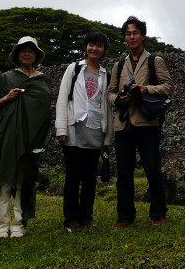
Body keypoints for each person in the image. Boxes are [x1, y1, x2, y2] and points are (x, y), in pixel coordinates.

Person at [108, 16, 174, 228]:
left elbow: (168, 87)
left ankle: (158, 213)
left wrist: (146, 89)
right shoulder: (119, 65)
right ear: (125, 37)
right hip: (123, 124)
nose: (132, 36)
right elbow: (109, 94)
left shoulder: (155, 61)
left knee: (152, 169)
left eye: (135, 32)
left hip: (148, 123)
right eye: (128, 33)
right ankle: (125, 215)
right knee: (124, 172)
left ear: (143, 35)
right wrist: (120, 99)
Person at [0, 36, 51, 239]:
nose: (27, 53)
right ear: (17, 54)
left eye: (31, 50)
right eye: (23, 50)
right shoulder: (7, 78)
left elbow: (44, 109)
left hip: (32, 137)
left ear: (36, 55)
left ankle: (19, 223)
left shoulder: (42, 79)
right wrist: (7, 98)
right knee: (3, 178)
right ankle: (1, 225)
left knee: (24, 180)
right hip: (8, 136)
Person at [55, 32, 114, 233]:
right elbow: (63, 98)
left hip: (96, 129)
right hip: (73, 129)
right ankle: (71, 219)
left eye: (99, 46)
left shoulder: (106, 74)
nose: (94, 49)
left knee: (90, 177)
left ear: (104, 49)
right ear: (85, 47)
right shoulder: (75, 68)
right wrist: (61, 128)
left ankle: (86, 217)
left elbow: (107, 107)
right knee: (73, 175)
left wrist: (108, 137)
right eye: (91, 45)